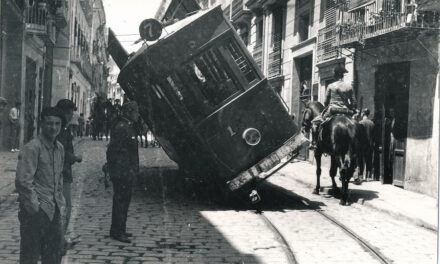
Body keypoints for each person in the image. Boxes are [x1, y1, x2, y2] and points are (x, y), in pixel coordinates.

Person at [15, 107, 65, 264]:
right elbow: (23, 181)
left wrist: (60, 203)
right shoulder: (33, 147)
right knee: (30, 256)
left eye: (57, 124)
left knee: (53, 256)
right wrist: (35, 208)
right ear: (42, 123)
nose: (53, 128)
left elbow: (58, 178)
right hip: (36, 212)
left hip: (54, 209)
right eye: (49, 123)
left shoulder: (60, 148)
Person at [106, 101, 140, 243]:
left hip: (126, 170)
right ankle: (117, 231)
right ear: (129, 112)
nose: (138, 115)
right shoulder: (122, 127)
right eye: (136, 112)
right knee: (121, 201)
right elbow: (112, 151)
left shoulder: (128, 126)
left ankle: (120, 229)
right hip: (122, 171)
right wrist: (115, 169)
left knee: (124, 201)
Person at [55, 99, 82, 250]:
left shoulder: (64, 128)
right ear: (66, 112)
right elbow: (60, 152)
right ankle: (59, 240)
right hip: (61, 173)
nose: (72, 114)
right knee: (64, 207)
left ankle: (60, 237)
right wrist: (75, 158)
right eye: (71, 111)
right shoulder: (59, 128)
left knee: (64, 207)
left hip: (64, 172)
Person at [310, 65, 357, 149]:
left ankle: (314, 144)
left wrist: (327, 106)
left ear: (335, 75)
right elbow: (354, 102)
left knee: (314, 123)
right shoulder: (349, 86)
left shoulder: (331, 86)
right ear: (342, 75)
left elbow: (325, 101)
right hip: (346, 111)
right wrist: (351, 107)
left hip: (333, 110)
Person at [355, 108, 375, 184]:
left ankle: (360, 176)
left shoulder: (360, 123)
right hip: (370, 145)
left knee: (360, 161)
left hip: (361, 145)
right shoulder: (372, 123)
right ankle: (368, 177)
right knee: (369, 160)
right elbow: (374, 136)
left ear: (363, 113)